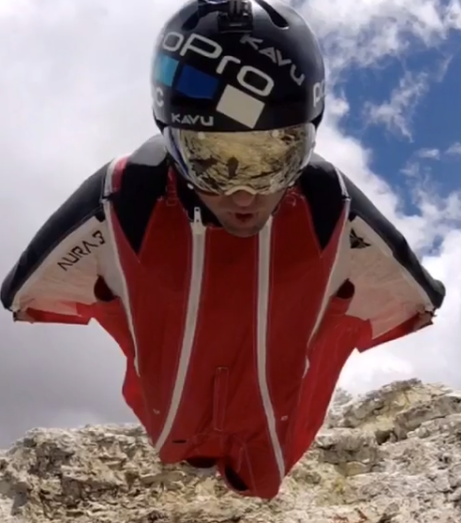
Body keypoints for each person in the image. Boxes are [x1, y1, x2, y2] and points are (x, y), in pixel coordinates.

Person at [1, 0, 445, 500]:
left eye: (273, 159)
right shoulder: (128, 198)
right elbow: (21, 287)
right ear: (169, 143)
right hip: (176, 413)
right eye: (212, 160)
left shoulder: (326, 207)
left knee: (260, 470)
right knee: (180, 438)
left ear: (309, 142)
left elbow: (22, 287)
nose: (242, 193)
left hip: (269, 425)